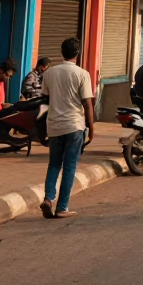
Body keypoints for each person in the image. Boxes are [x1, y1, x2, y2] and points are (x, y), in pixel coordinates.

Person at [39, 37, 94, 219]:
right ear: (77, 54)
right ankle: (62, 207)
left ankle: (48, 199)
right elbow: (87, 103)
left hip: (54, 125)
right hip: (74, 125)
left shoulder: (49, 73)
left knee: (53, 165)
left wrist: (42, 126)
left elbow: (44, 101)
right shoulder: (82, 74)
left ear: (61, 52)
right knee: (69, 167)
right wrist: (91, 127)